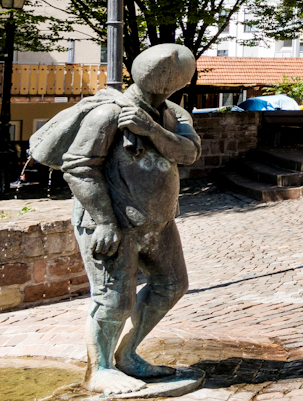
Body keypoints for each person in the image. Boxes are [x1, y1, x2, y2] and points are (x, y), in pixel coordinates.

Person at [60, 43, 204, 395]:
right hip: (114, 224)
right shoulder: (108, 114)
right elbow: (78, 168)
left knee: (171, 286)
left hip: (158, 222)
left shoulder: (172, 113)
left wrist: (151, 131)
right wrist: (105, 221)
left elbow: (190, 152)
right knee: (113, 301)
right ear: (173, 82)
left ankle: (127, 355)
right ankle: (101, 369)